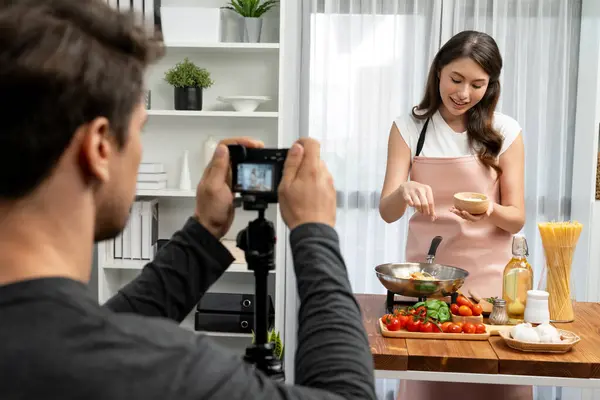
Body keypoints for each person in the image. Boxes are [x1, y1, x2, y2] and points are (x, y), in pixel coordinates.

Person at [0, 1, 377, 399]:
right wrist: (315, 232)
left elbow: (72, 333)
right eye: (139, 129)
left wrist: (204, 232)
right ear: (99, 148)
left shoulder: (45, 348)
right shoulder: (169, 371)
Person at [379, 31, 530, 400]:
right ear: (438, 73)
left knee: (495, 381)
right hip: (427, 282)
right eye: (456, 80)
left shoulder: (504, 131)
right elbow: (387, 211)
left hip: (490, 284)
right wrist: (403, 192)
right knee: (430, 380)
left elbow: (516, 218)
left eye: (478, 84)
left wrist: (489, 209)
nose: (464, 93)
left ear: (491, 85)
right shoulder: (409, 127)